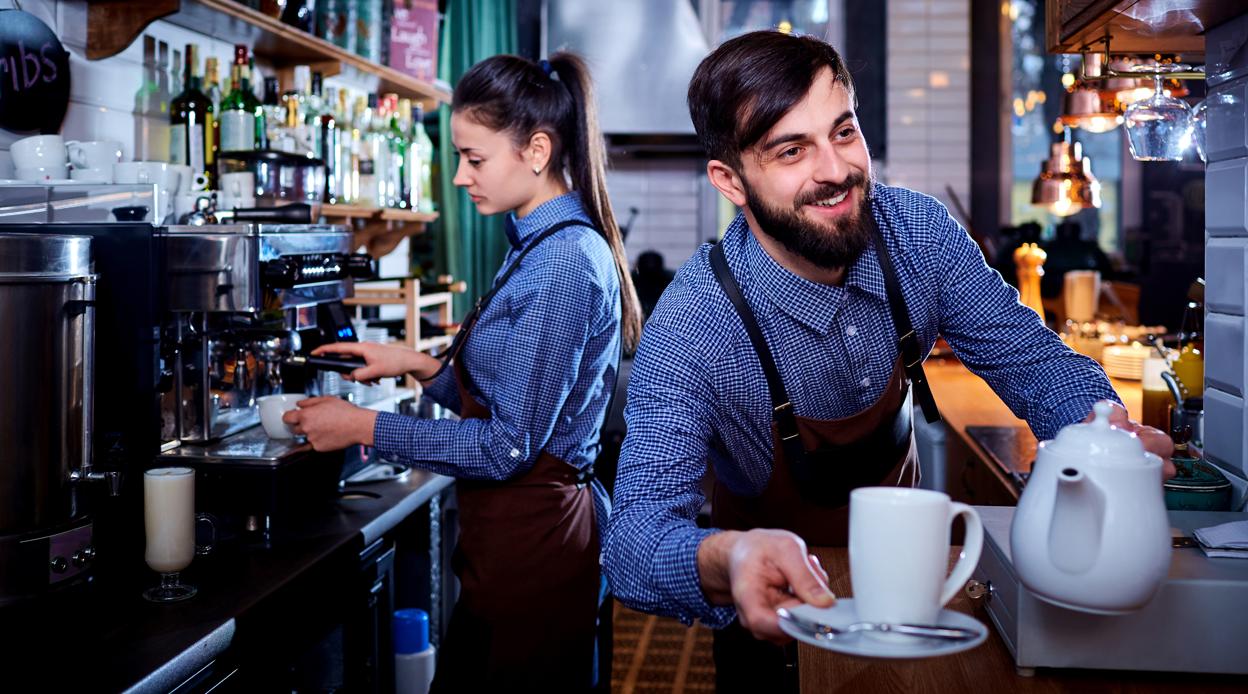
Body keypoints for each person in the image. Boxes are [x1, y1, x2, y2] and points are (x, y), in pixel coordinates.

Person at [601, 31, 1174, 693]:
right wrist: (726, 555)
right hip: (775, 625)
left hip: (912, 601)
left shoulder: (918, 234)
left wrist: (1102, 431)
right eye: (792, 150)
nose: (835, 169)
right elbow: (633, 542)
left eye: (843, 132)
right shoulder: (695, 323)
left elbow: (1032, 359)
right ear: (731, 180)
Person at [283, 52, 642, 691]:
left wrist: (363, 425)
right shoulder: (535, 242)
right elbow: (515, 403)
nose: (458, 177)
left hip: (539, 556)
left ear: (536, 150)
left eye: (473, 159)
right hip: (513, 553)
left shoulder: (562, 265)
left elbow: (507, 445)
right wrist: (421, 365)